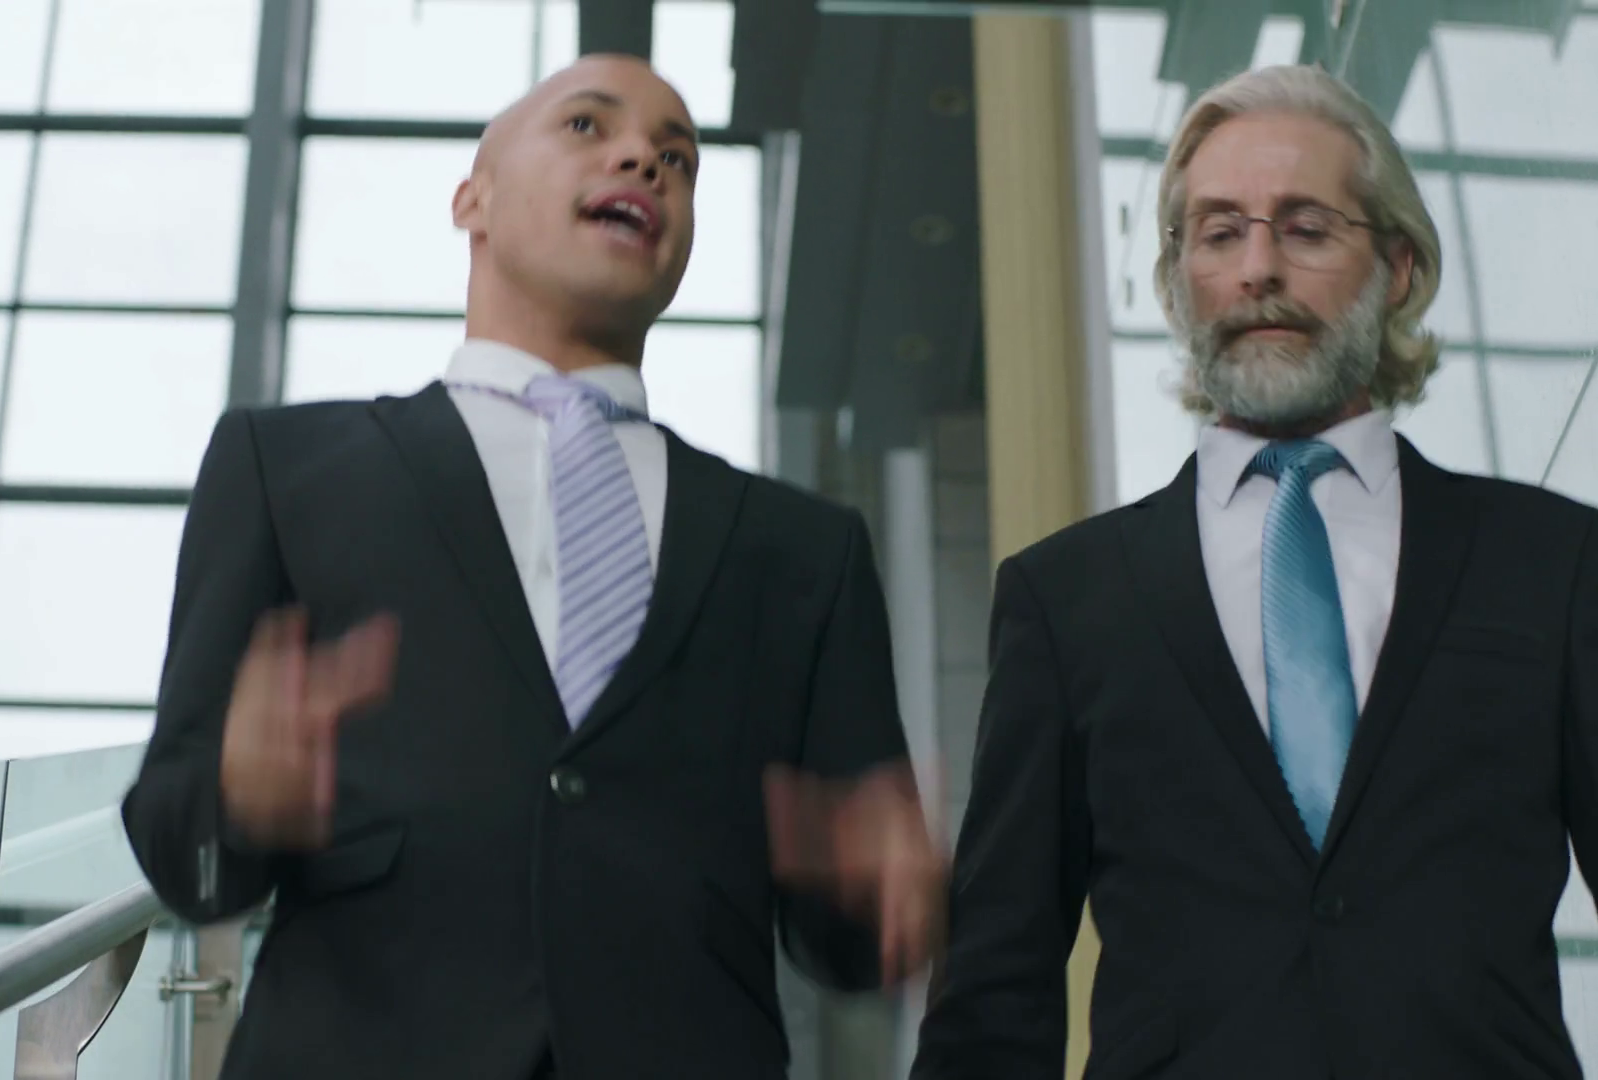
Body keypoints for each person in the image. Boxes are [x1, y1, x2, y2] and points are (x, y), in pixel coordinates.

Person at [122, 54, 944, 1080]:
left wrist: (881, 895)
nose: (645, 160)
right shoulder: (282, 469)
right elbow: (185, 853)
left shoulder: (807, 552)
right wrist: (240, 801)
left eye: (680, 159)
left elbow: (847, 944)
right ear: (473, 197)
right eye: (589, 126)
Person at [911, 63, 1598, 1080]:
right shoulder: (1065, 601)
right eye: (1220, 233)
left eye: (1306, 228)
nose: (1258, 268)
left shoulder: (1555, 562)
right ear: (1176, 281)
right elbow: (994, 991)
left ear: (1398, 267)